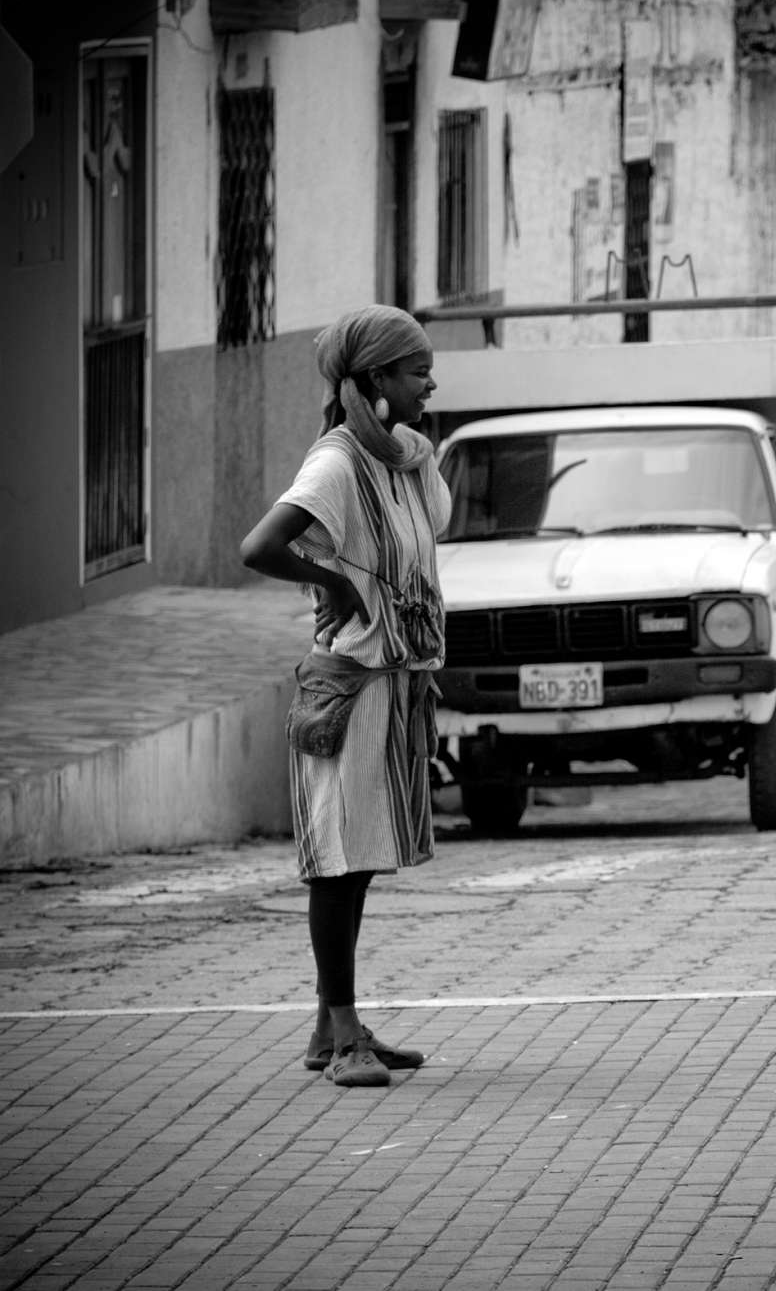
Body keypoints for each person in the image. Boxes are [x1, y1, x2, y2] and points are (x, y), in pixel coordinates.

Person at [239, 305, 449, 1088]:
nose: (431, 381)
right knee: (336, 860)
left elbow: (429, 533)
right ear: (375, 380)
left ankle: (335, 1030)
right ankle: (343, 1034)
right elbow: (259, 546)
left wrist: (410, 446)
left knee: (359, 859)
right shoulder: (335, 465)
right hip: (351, 688)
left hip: (396, 684)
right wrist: (330, 582)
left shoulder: (399, 460)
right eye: (416, 370)